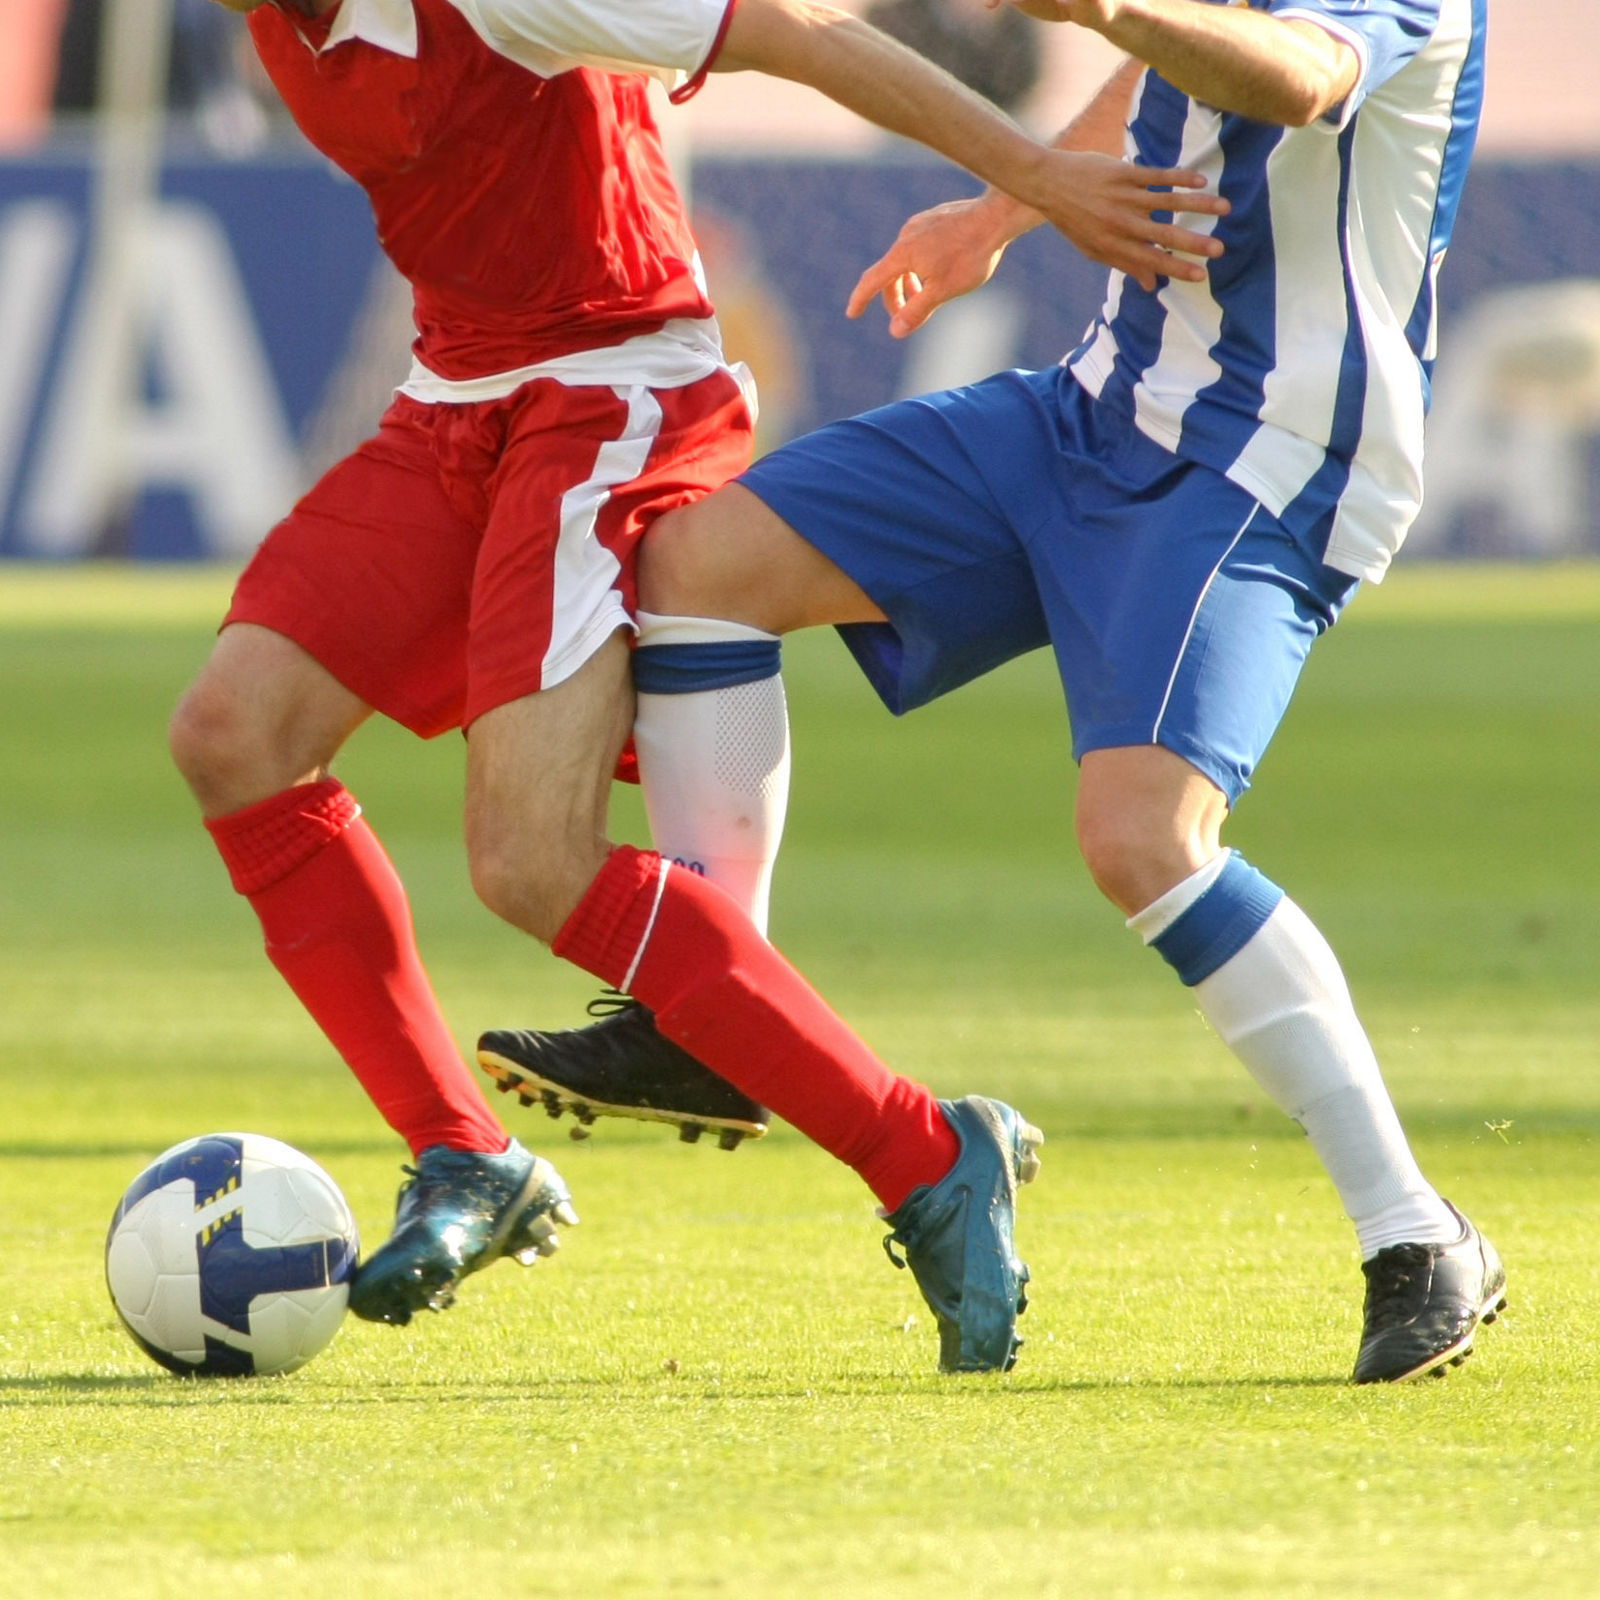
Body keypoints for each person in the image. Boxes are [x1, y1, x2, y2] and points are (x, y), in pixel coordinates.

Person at [169, 0, 1229, 1365]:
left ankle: (927, 1154)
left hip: (613, 390)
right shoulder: (274, 21)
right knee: (234, 735)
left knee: (531, 862)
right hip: (459, 397)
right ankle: (466, 1158)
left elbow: (796, 32)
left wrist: (1032, 181)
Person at [480, 0, 1509, 1385]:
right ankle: (713, 1020)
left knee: (1143, 838)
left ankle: (1416, 1233)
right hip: (1095, 407)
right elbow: (1173, 62)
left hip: (1264, 462)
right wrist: (999, 210)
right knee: (703, 560)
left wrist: (1096, 4)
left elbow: (1310, 75)